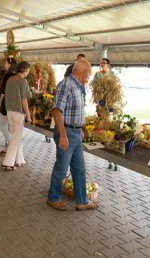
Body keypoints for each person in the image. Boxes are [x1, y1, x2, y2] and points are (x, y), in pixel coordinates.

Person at [47, 60, 99, 211]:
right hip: (67, 133)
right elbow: (57, 111)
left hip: (75, 132)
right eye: (88, 74)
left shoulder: (79, 86)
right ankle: (53, 198)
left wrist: (80, 128)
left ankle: (82, 201)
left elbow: (74, 111)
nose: (88, 78)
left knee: (79, 169)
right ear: (81, 72)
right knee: (62, 168)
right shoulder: (66, 85)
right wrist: (63, 135)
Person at [1, 61, 32, 171]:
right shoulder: (23, 81)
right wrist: (28, 115)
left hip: (9, 111)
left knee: (15, 136)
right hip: (18, 112)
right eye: (28, 70)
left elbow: (6, 95)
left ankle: (20, 160)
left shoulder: (10, 79)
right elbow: (24, 99)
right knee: (15, 138)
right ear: (25, 70)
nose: (28, 72)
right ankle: (8, 163)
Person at [0, 58, 17, 156]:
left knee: (3, 126)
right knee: (9, 128)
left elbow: (3, 92)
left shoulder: (8, 76)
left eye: (6, 63)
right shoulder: (17, 76)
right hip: (14, 105)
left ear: (10, 65)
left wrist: (0, 105)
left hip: (6, 104)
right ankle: (11, 147)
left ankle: (13, 147)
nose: (4, 65)